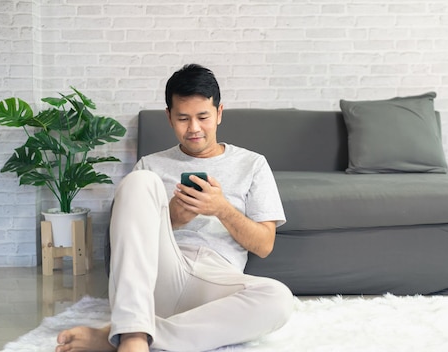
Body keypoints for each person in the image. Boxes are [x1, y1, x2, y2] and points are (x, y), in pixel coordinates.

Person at [55, 64, 294, 352]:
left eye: (203, 117)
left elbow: (265, 245)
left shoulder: (252, 164)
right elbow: (130, 237)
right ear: (169, 117)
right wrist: (171, 218)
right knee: (139, 180)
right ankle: (133, 336)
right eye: (183, 118)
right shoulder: (151, 164)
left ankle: (126, 334)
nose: (193, 128)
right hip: (158, 274)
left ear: (219, 113)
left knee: (278, 299)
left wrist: (222, 209)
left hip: (215, 282)